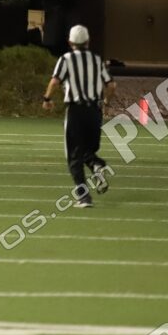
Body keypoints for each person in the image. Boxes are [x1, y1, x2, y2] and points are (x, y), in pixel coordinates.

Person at [42, 25, 116, 208]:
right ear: (88, 42)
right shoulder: (97, 60)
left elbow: (55, 81)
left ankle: (84, 197)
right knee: (86, 150)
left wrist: (47, 99)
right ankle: (96, 165)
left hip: (76, 110)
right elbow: (111, 85)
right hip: (94, 111)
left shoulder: (66, 59)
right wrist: (106, 102)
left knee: (74, 155)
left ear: (70, 42)